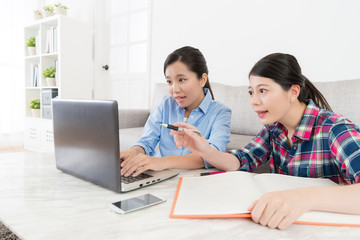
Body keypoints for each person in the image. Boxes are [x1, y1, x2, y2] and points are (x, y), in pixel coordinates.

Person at [170, 53, 360, 230]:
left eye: (263, 91)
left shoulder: (336, 129)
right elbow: (241, 160)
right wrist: (205, 150)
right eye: (251, 92)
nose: (254, 101)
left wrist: (304, 197)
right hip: (281, 227)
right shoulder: (274, 129)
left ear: (293, 92)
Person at [120, 46, 232, 177]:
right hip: (159, 177)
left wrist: (162, 162)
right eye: (169, 81)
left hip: (193, 181)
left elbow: (213, 156)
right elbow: (147, 141)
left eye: (181, 80)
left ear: (202, 79)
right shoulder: (165, 104)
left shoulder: (220, 112)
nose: (175, 89)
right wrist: (133, 152)